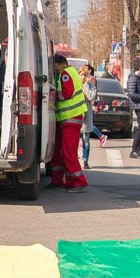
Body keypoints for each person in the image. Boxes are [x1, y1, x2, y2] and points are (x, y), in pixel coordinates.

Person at [47, 54, 88, 192]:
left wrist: (54, 96)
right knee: (60, 152)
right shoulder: (71, 72)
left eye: (53, 65)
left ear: (58, 64)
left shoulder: (65, 74)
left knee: (68, 152)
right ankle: (61, 181)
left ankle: (79, 182)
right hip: (67, 119)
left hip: (70, 117)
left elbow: (67, 93)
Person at [78, 64, 107, 170]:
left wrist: (89, 85)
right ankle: (76, 159)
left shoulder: (88, 85)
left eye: (84, 75)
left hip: (85, 115)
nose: (82, 77)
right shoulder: (76, 84)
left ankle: (85, 160)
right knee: (76, 139)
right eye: (81, 75)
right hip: (77, 115)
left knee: (86, 139)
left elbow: (90, 96)